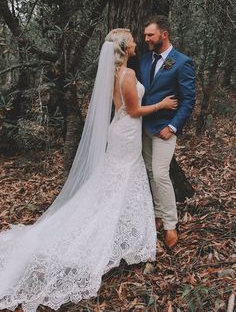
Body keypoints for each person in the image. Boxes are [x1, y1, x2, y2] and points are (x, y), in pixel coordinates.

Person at [0, 29, 178, 312]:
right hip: (128, 132)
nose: (135, 41)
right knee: (124, 179)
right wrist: (162, 104)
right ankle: (117, 235)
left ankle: (124, 233)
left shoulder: (113, 74)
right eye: (131, 38)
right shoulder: (128, 75)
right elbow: (133, 111)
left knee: (117, 179)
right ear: (124, 47)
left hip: (119, 131)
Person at [139, 15, 196, 248]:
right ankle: (158, 214)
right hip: (143, 128)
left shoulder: (182, 62)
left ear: (164, 34)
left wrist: (172, 126)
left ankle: (171, 225)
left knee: (161, 174)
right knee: (151, 173)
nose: (146, 39)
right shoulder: (143, 60)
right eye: (145, 35)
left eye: (150, 35)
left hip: (165, 129)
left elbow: (189, 100)